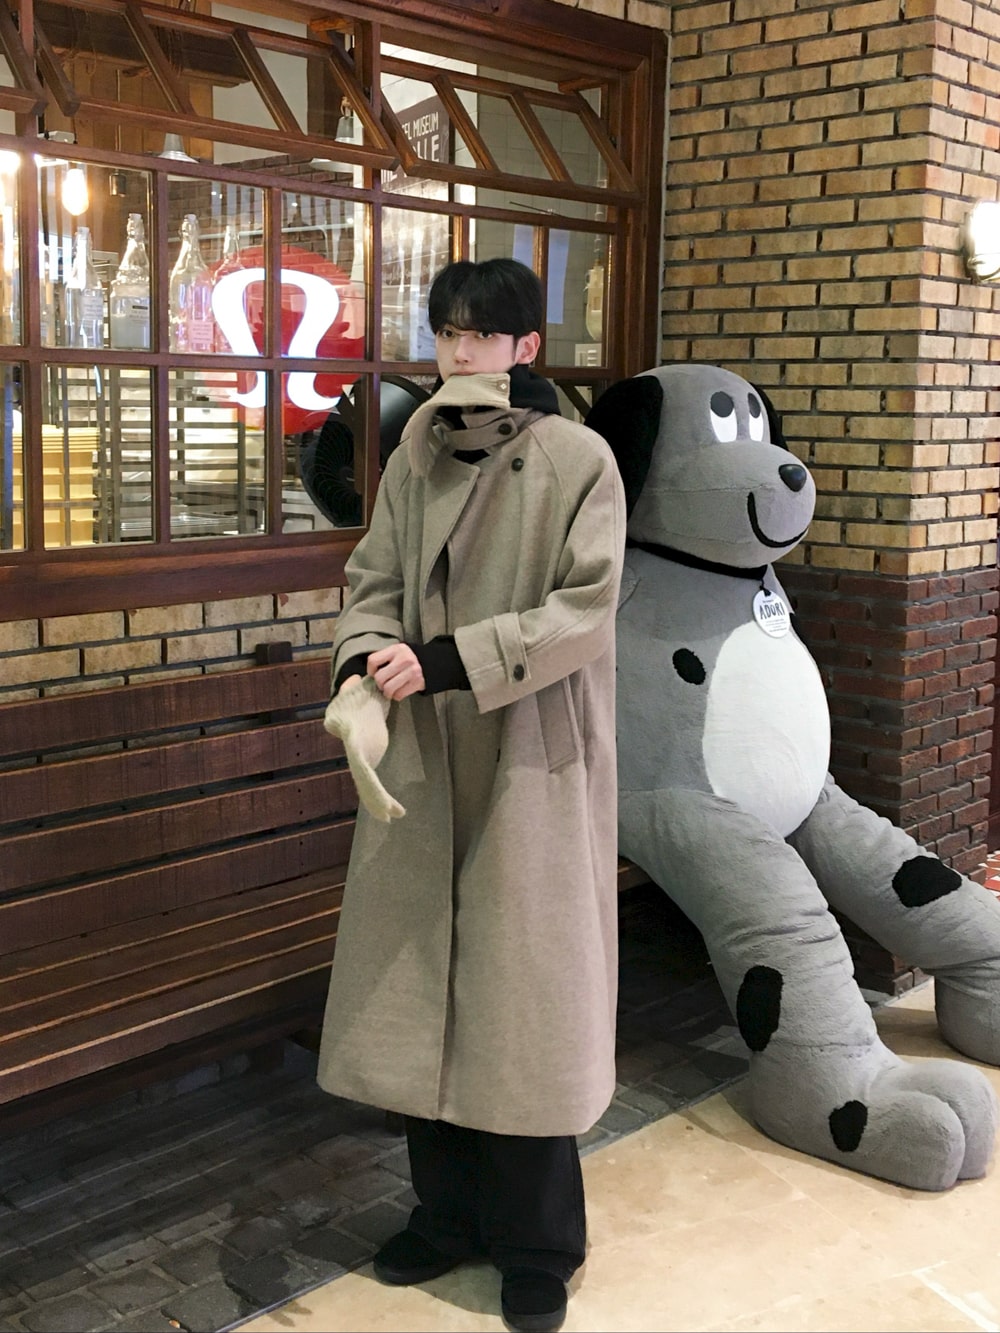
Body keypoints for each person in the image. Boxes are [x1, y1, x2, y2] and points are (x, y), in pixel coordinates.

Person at [317, 258, 626, 1333]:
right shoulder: (416, 447)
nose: (458, 352)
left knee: (522, 1002)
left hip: (529, 757)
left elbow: (586, 610)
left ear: (525, 347)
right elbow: (372, 581)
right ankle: (444, 1217)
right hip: (421, 759)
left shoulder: (579, 458)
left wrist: (449, 661)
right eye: (447, 332)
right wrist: (360, 665)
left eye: (480, 334)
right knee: (425, 989)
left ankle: (539, 1245)